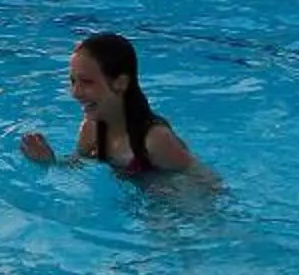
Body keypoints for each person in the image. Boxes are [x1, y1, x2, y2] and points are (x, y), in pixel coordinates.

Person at [21, 32, 203, 175]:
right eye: (73, 81)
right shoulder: (91, 130)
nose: (75, 93)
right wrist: (50, 163)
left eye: (87, 82)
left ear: (121, 83)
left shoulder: (154, 139)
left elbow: (201, 180)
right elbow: (78, 168)